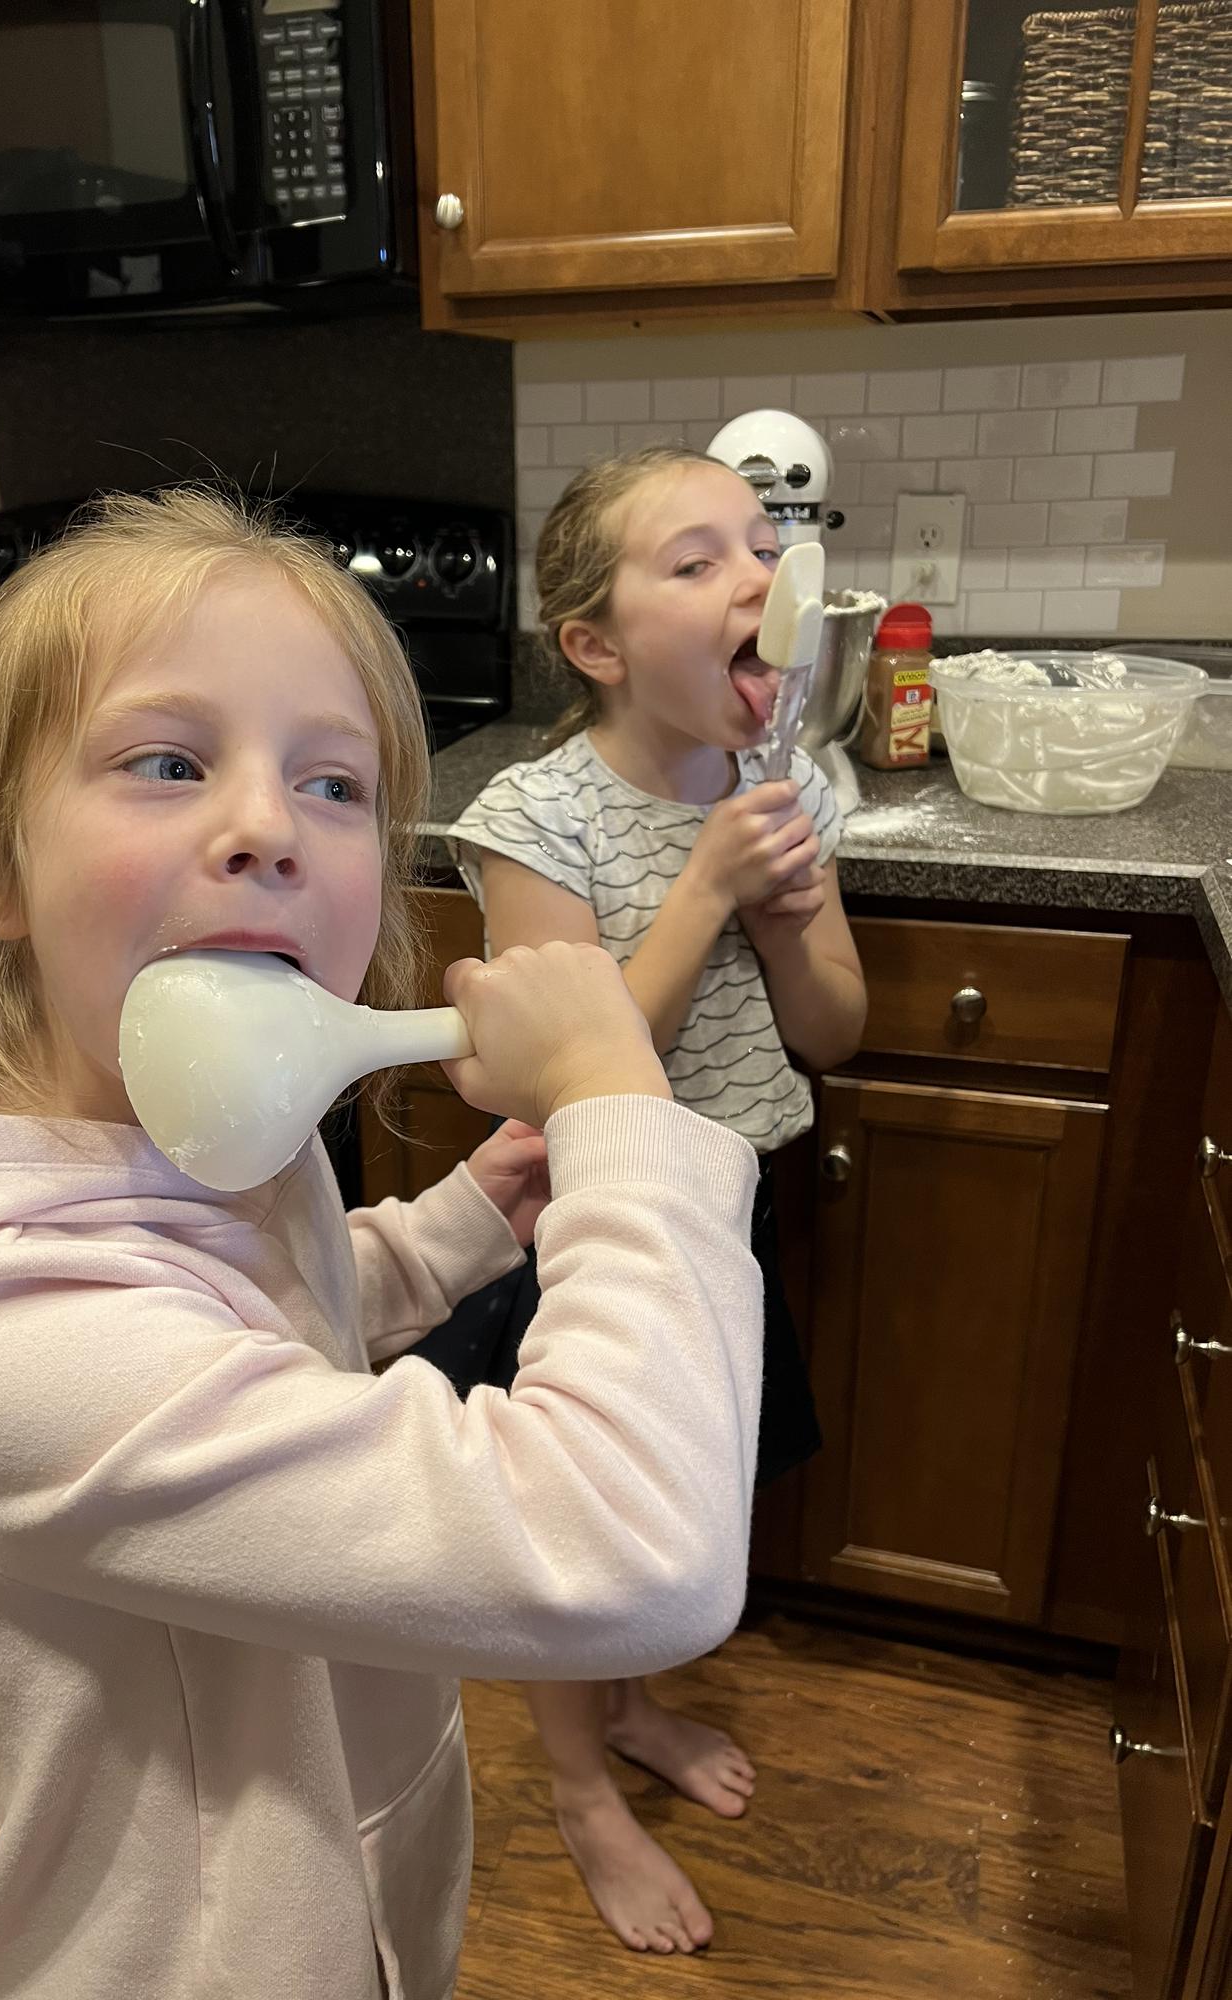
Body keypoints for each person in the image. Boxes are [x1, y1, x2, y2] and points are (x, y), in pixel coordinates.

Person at [0, 486, 769, 1997]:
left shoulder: (200, 1152)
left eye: (337, 784)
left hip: (346, 1894)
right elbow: (634, 1553)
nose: (266, 827)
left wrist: (459, 1227)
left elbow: (264, 1325)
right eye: (167, 762)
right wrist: (623, 1105)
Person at [441, 445, 868, 1954]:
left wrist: (800, 912)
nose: (754, 577)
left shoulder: (788, 783)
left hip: (722, 1205)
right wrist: (701, 895)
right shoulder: (531, 819)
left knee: (671, 1502)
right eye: (693, 563)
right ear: (598, 644)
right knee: (579, 1535)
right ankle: (576, 1785)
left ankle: (627, 1708)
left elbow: (833, 1035)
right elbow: (565, 1071)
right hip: (577, 1228)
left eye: (763, 546)